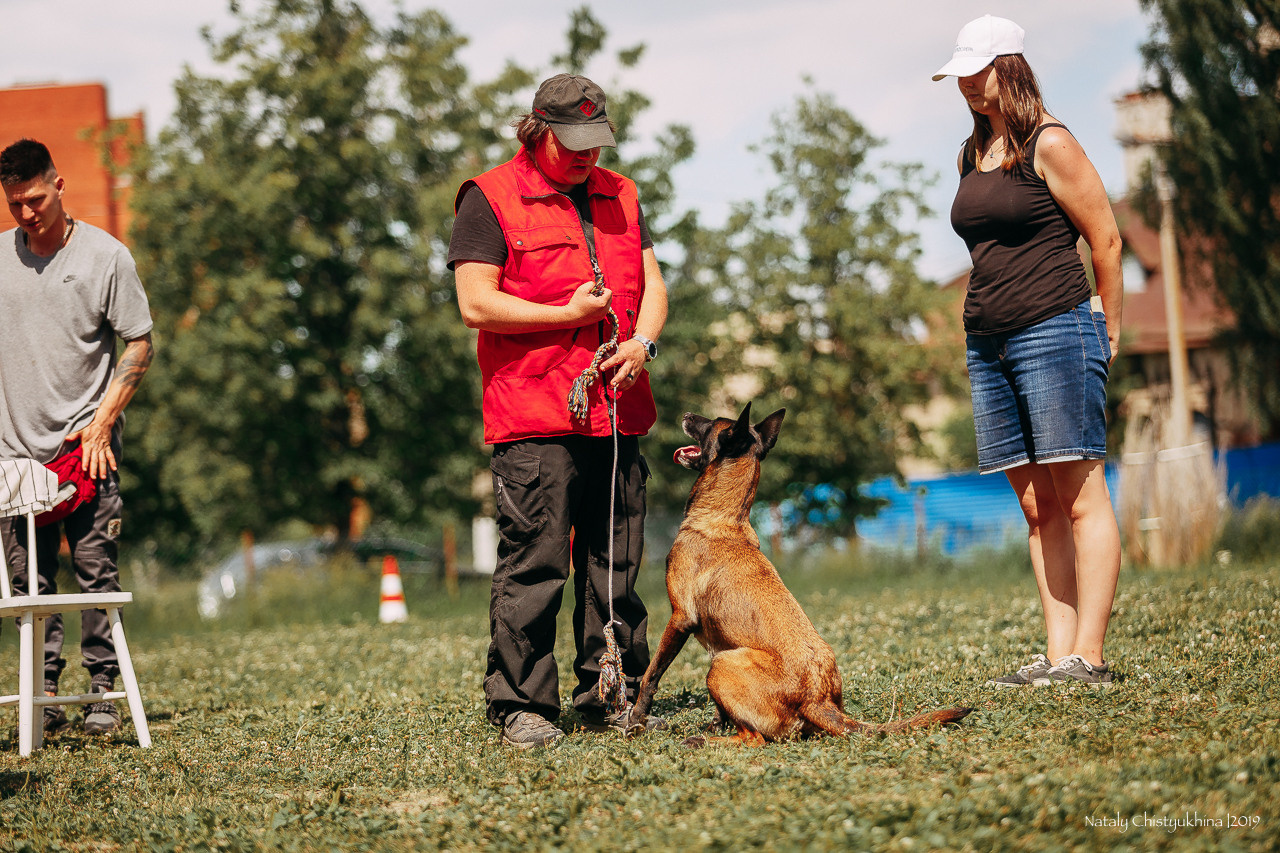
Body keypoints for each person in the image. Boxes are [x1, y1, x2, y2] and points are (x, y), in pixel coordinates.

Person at [447, 74, 669, 748]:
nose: (585, 157)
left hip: (616, 410)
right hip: (533, 413)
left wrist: (642, 344)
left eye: (595, 144)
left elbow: (654, 284)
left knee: (616, 565)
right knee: (536, 564)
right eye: (572, 144)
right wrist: (562, 314)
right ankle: (522, 703)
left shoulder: (621, 194)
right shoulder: (489, 198)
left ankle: (611, 692)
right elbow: (475, 303)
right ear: (536, 129)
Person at [933, 17, 1124, 687]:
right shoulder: (969, 153)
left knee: (1079, 498)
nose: (964, 82)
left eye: (975, 69)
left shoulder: (1052, 142)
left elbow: (1105, 237)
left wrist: (1110, 323)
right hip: (988, 341)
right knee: (1037, 507)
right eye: (958, 72)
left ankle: (1090, 656)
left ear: (1007, 67)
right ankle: (1056, 652)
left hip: (1055, 328)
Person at [0, 139, 155, 733]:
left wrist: (104, 420)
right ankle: (40, 691)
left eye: (35, 199)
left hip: (83, 452)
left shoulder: (105, 257)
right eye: (14, 204)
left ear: (58, 185)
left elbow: (139, 340)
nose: (26, 213)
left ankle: (100, 692)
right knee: (29, 589)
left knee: (96, 575)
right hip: (15, 460)